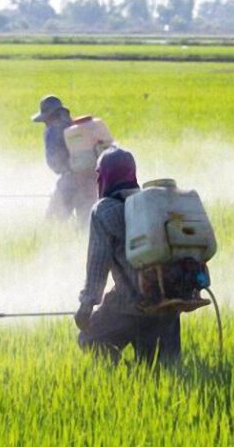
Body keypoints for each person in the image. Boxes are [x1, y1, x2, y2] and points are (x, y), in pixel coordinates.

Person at [75, 146, 182, 365]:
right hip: (170, 300)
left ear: (105, 176)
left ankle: (126, 374)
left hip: (130, 304)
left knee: (89, 339)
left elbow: (97, 265)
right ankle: (135, 378)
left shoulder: (104, 210)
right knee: (164, 372)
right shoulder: (152, 204)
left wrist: (86, 306)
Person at [32, 95, 96, 225]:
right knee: (87, 225)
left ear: (49, 116)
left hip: (69, 181)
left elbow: (55, 163)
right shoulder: (75, 126)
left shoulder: (52, 131)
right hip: (92, 179)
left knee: (52, 223)